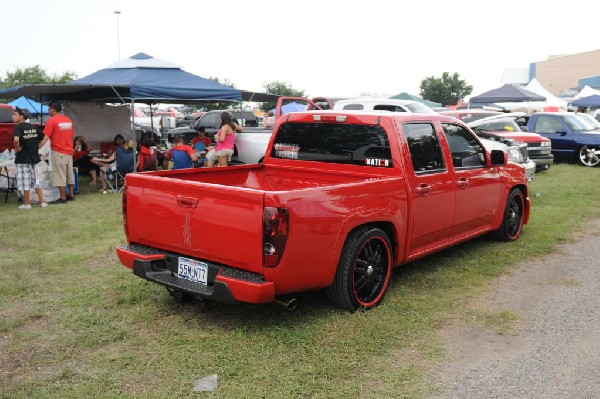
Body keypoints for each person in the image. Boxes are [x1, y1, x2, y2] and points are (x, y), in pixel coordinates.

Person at [39, 101, 75, 203]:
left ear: (53, 109)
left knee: (60, 175)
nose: (48, 111)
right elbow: (71, 135)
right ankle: (71, 195)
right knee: (69, 174)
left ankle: (63, 198)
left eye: (49, 109)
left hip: (58, 151)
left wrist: (37, 147)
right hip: (69, 151)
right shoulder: (68, 120)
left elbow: (45, 137)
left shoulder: (52, 121)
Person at [12, 108, 47, 209]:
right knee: (36, 181)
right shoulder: (32, 127)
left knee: (25, 182)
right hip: (33, 158)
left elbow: (16, 139)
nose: (12, 116)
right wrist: (38, 146)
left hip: (22, 159)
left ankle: (27, 204)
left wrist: (17, 148)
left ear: (21, 116)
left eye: (15, 114)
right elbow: (45, 137)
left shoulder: (19, 127)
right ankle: (42, 202)